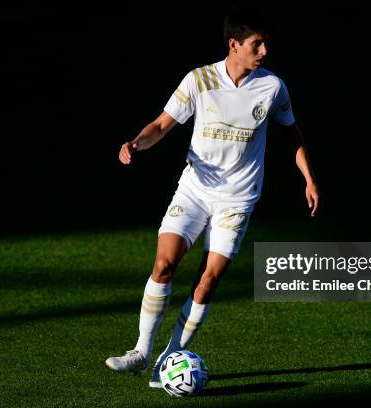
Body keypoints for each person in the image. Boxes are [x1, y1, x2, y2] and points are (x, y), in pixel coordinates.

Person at [105, 8, 319, 388]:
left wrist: (308, 178)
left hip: (237, 200)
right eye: (257, 44)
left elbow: (291, 132)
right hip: (195, 190)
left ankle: (166, 362)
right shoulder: (199, 80)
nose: (265, 50)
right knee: (164, 265)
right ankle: (141, 351)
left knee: (207, 281)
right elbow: (161, 125)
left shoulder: (272, 87)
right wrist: (136, 143)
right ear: (234, 45)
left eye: (265, 42)